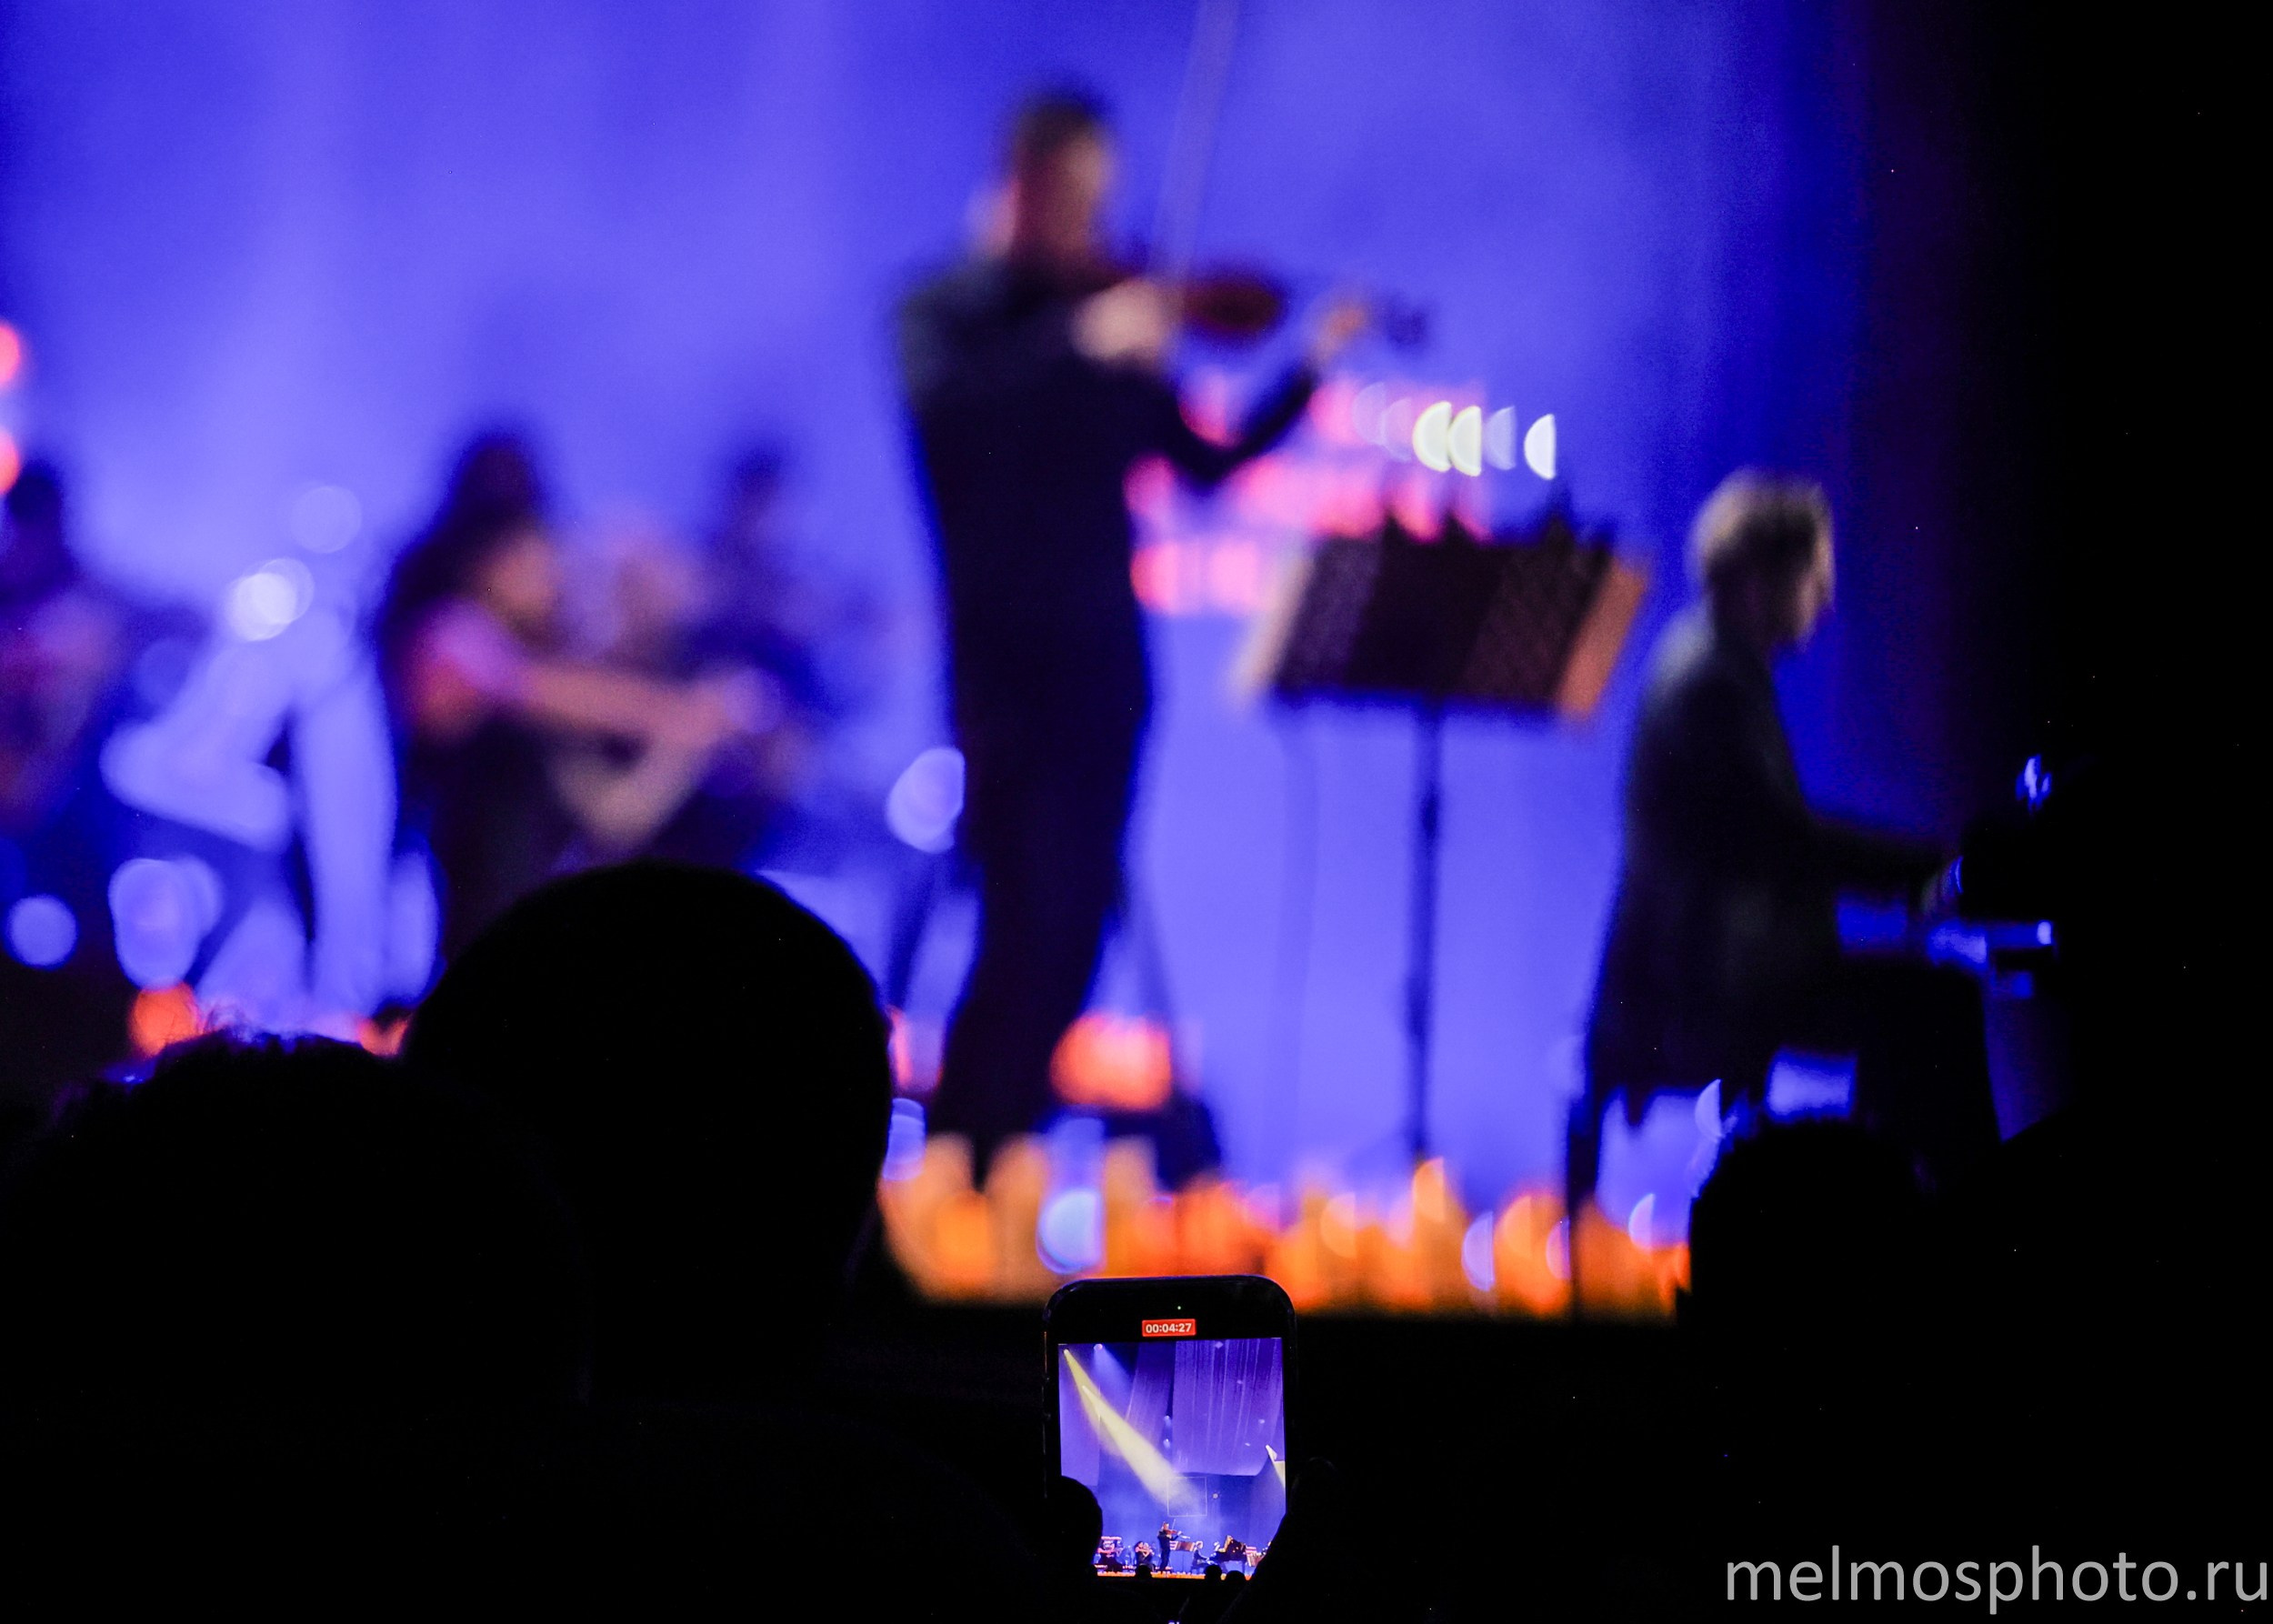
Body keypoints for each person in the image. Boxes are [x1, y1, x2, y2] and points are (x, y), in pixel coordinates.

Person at [898, 90, 1366, 1165]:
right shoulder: (947, 318)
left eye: (1100, 203)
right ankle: (955, 1172)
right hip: (1004, 676)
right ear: (1018, 183)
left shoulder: (1117, 336)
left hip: (1106, 678)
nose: (1093, 230)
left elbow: (1209, 464)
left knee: (1072, 941)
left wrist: (1310, 367)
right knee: (1018, 933)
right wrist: (1077, 337)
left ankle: (988, 1175)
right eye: (1071, 199)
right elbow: (955, 420)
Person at [1583, 473, 1998, 1194]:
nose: (1825, 600)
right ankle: (1942, 1226)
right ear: (1756, 576)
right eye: (1813, 575)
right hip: (1702, 984)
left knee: (1918, 1004)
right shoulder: (1711, 681)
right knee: (1932, 1004)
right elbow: (1778, 838)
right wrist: (1930, 871)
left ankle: (1896, 1213)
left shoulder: (1709, 661)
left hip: (1702, 967)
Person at [375, 433, 770, 959]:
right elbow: (539, 689)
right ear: (491, 566)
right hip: (411, 889)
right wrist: (683, 715)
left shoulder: (533, 656)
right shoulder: (455, 634)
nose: (555, 579)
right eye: (536, 563)